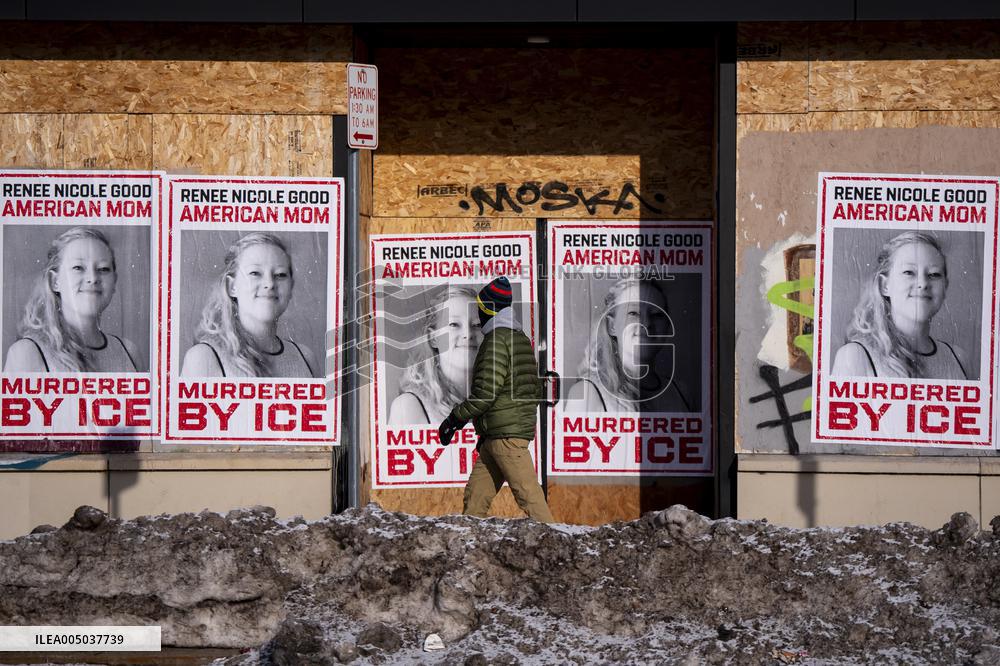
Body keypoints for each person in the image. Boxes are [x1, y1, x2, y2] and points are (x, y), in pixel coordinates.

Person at [438, 276, 554, 523]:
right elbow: (529, 388)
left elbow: (485, 394)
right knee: (475, 500)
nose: (478, 314)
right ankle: (467, 549)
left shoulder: (496, 341)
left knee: (530, 499)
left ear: (489, 309)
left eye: (480, 308)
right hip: (498, 435)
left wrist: (454, 420)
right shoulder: (518, 337)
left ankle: (562, 547)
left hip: (506, 438)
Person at [831, 231, 969, 380]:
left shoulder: (959, 358)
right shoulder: (856, 356)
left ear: (945, 287)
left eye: (934, 274)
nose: (923, 284)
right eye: (909, 272)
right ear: (885, 285)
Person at [4, 226, 142, 373]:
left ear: (114, 282)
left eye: (103, 269)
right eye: (78, 267)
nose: (93, 278)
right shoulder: (28, 353)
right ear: (55, 281)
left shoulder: (129, 352)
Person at [180, 232, 317, 378]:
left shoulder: (306, 357)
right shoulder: (204, 358)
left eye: (280, 274)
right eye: (255, 273)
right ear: (232, 287)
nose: (270, 284)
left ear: (291, 288)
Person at [566, 277, 692, 413]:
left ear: (667, 327)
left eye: (656, 315)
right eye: (633, 313)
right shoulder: (588, 393)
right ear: (611, 326)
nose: (646, 323)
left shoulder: (680, 392)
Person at [388, 285, 483, 424]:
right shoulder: (409, 407)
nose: (468, 334)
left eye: (477, 325)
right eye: (454, 324)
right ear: (433, 338)